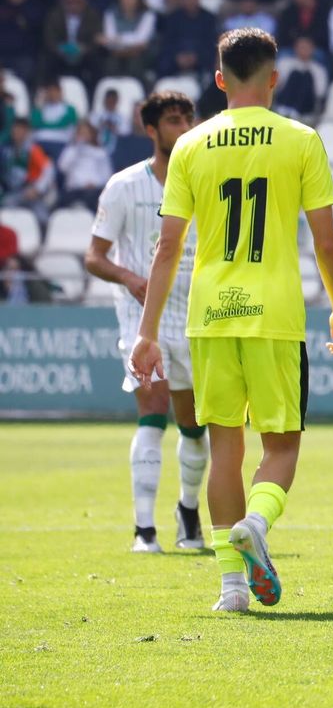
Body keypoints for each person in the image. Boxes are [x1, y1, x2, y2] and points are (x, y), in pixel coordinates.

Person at [132, 28, 333, 613]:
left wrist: (147, 332)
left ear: (219, 78)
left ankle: (231, 590)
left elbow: (167, 248)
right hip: (274, 315)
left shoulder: (190, 146)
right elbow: (326, 241)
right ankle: (257, 522)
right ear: (274, 77)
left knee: (223, 448)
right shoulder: (301, 140)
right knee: (280, 448)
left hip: (208, 316)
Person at [85, 91, 209, 555]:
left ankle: (188, 511)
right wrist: (130, 277)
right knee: (153, 410)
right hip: (141, 318)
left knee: (195, 423)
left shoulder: (206, 181)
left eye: (188, 119)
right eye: (174, 120)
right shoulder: (122, 186)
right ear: (151, 129)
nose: (183, 127)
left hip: (197, 315)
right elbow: (94, 257)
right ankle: (144, 530)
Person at [56, 122, 114, 210]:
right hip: (74, 190)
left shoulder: (100, 152)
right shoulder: (71, 150)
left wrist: (94, 184)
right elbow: (62, 167)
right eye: (81, 133)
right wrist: (76, 148)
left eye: (86, 133)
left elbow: (107, 175)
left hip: (94, 190)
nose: (83, 135)